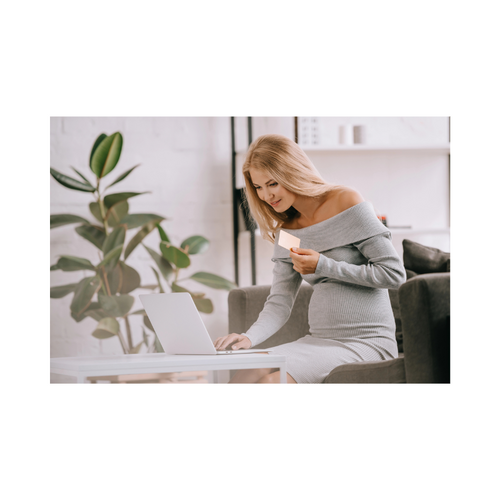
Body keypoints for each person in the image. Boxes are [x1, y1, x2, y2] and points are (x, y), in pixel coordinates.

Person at [214, 134, 406, 383]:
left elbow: (394, 274)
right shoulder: (288, 232)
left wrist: (322, 265)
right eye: (258, 187)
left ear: (291, 172)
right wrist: (249, 337)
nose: (266, 196)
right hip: (318, 341)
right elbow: (280, 301)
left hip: (367, 341)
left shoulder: (345, 201)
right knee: (249, 370)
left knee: (270, 383)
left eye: (272, 183)